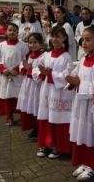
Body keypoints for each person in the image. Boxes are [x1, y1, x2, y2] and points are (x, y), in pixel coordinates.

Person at [68, 26, 94, 181]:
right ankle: (84, 162)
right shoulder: (83, 59)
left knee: (90, 135)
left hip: (91, 107)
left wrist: (79, 83)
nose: (84, 43)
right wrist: (71, 80)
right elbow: (76, 74)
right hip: (80, 104)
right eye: (83, 39)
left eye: (88, 39)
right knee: (81, 133)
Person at [36, 26, 75, 159]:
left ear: (64, 38)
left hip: (60, 94)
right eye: (53, 36)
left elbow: (67, 76)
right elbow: (37, 69)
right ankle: (46, 144)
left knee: (58, 119)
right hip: (47, 91)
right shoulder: (46, 55)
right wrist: (41, 72)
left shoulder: (67, 57)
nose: (55, 39)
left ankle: (59, 146)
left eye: (58, 36)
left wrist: (50, 73)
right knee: (46, 117)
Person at [0, 23, 28, 125]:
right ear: (6, 32)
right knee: (7, 96)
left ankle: (22, 115)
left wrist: (17, 69)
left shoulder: (22, 45)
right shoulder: (1, 46)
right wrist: (3, 69)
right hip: (5, 75)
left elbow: (25, 59)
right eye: (10, 30)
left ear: (18, 33)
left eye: (14, 30)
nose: (12, 32)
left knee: (20, 96)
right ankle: (9, 116)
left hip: (18, 75)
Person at [16, 33, 46, 138]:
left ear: (41, 43)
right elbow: (22, 65)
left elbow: (41, 72)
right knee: (31, 106)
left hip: (37, 86)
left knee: (37, 106)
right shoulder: (28, 55)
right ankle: (34, 127)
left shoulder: (44, 56)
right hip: (28, 85)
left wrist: (30, 69)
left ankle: (39, 129)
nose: (32, 45)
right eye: (30, 43)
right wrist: (23, 68)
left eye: (35, 42)